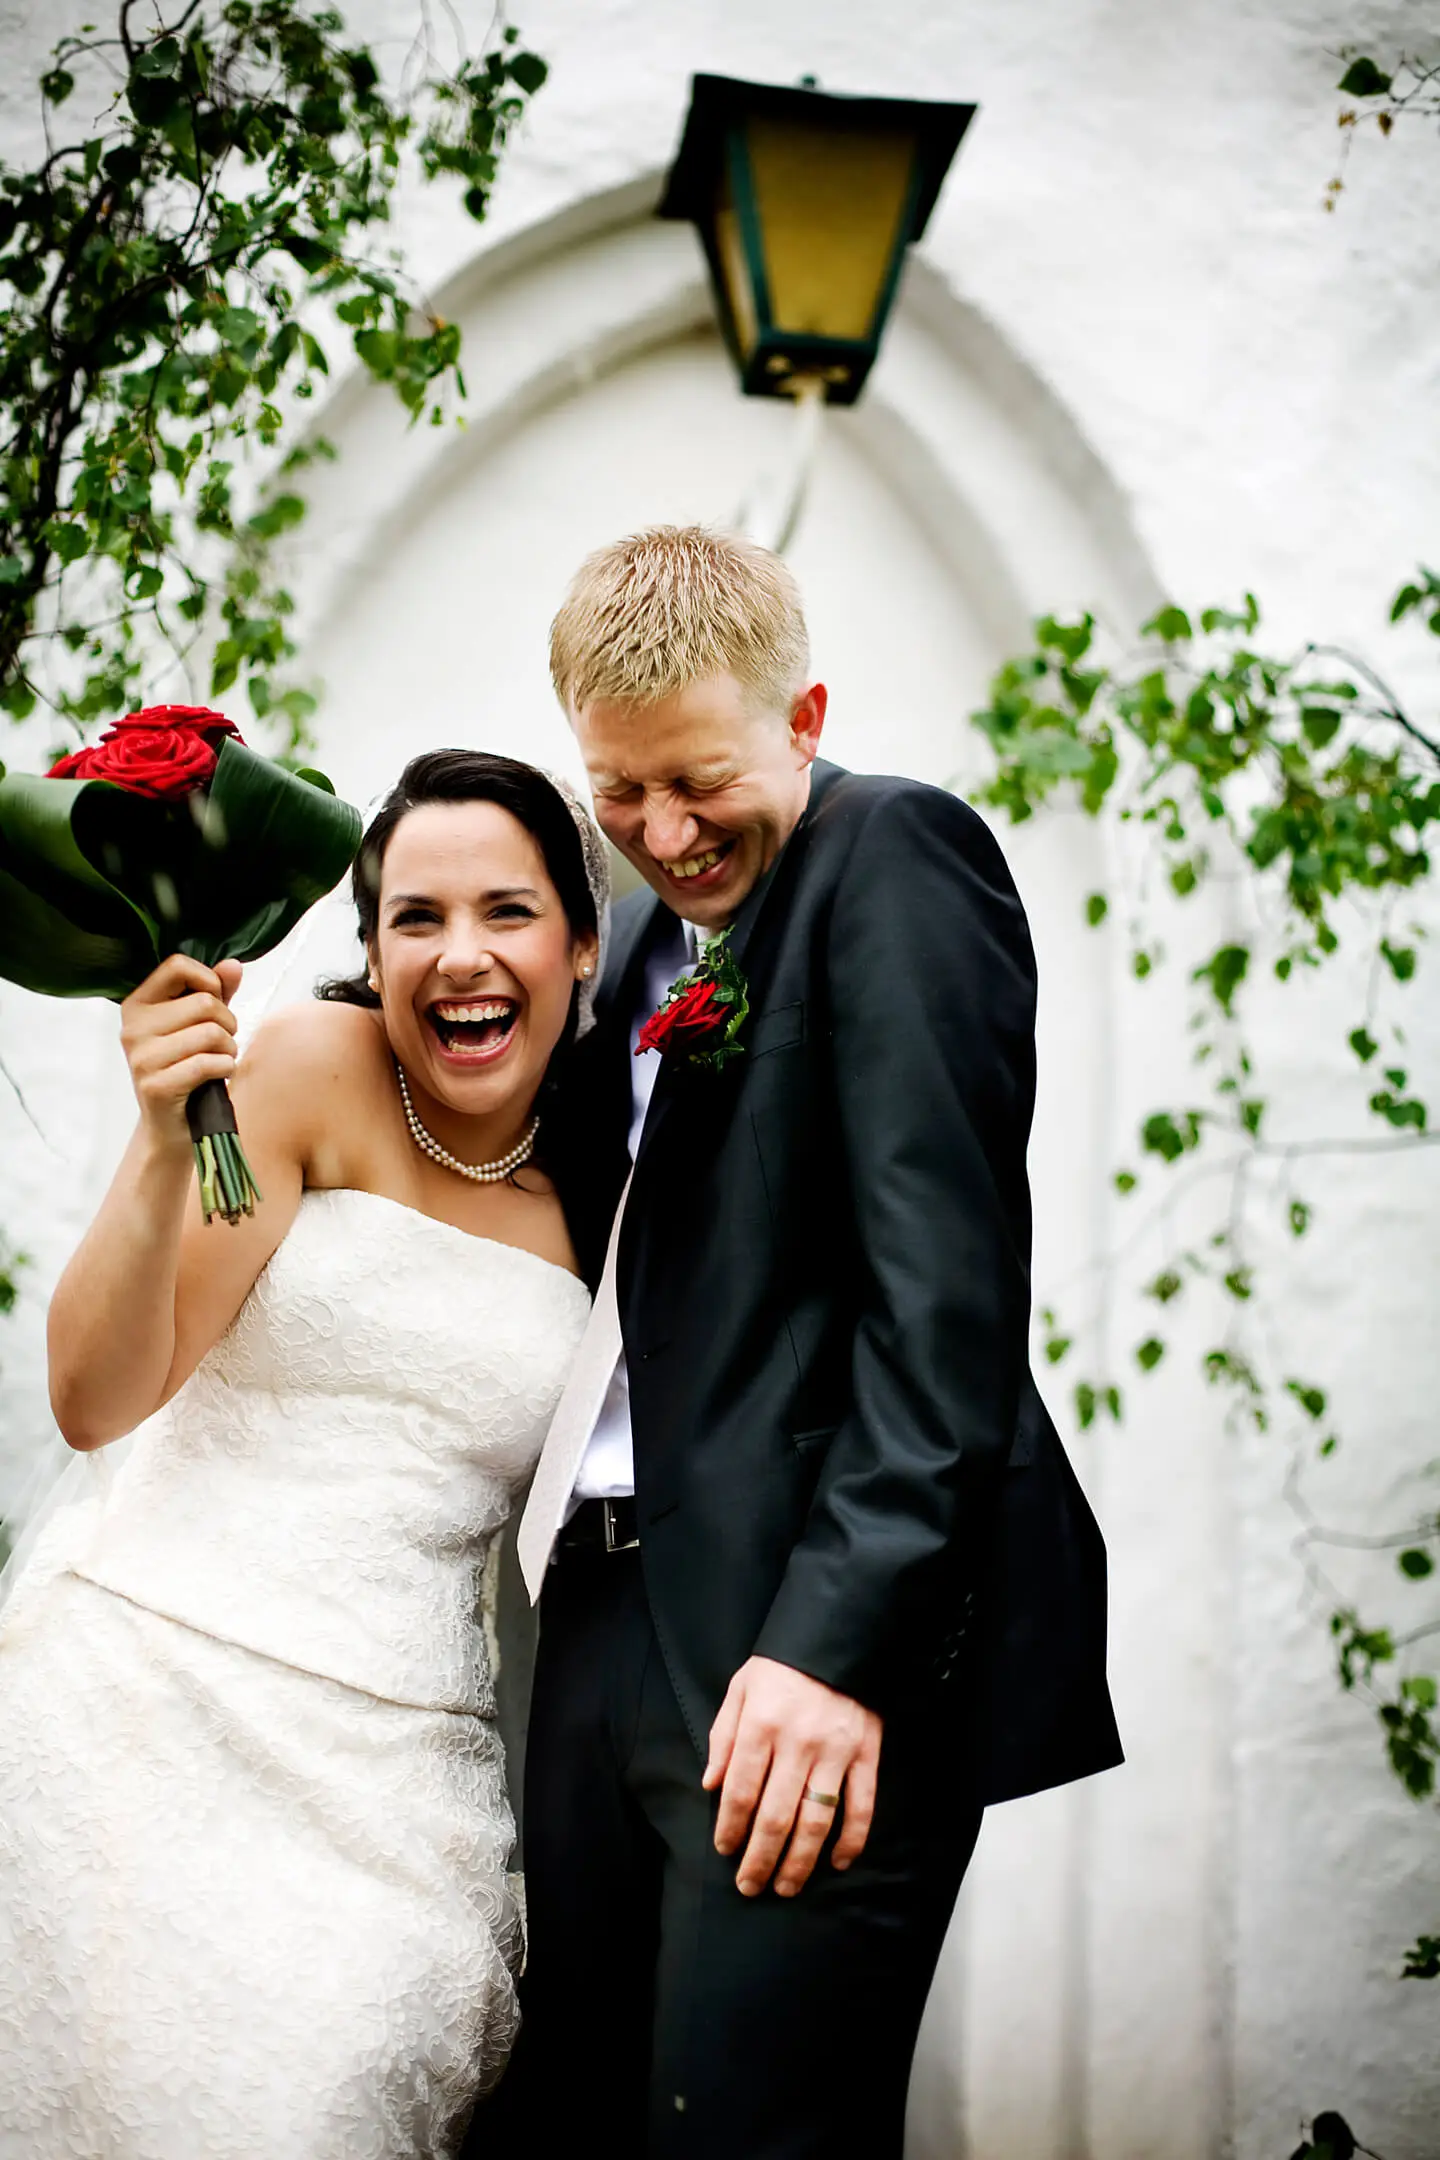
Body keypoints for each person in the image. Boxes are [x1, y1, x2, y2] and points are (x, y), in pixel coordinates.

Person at [492, 527, 1123, 2158]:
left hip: (800, 1635)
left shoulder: (896, 857)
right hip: (602, 1625)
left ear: (806, 716)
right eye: (620, 792)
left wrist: (840, 1651)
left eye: (700, 781)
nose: (665, 832)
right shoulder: (635, 938)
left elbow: (945, 1307)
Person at [0, 751, 609, 2160]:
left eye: (508, 911)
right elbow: (96, 1398)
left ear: (581, 946)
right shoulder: (307, 1070)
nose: (461, 954)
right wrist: (167, 1141)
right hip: (142, 1692)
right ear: (374, 950)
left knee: (321, 2092)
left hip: (395, 1776)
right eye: (416, 917)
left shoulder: (610, 1183)